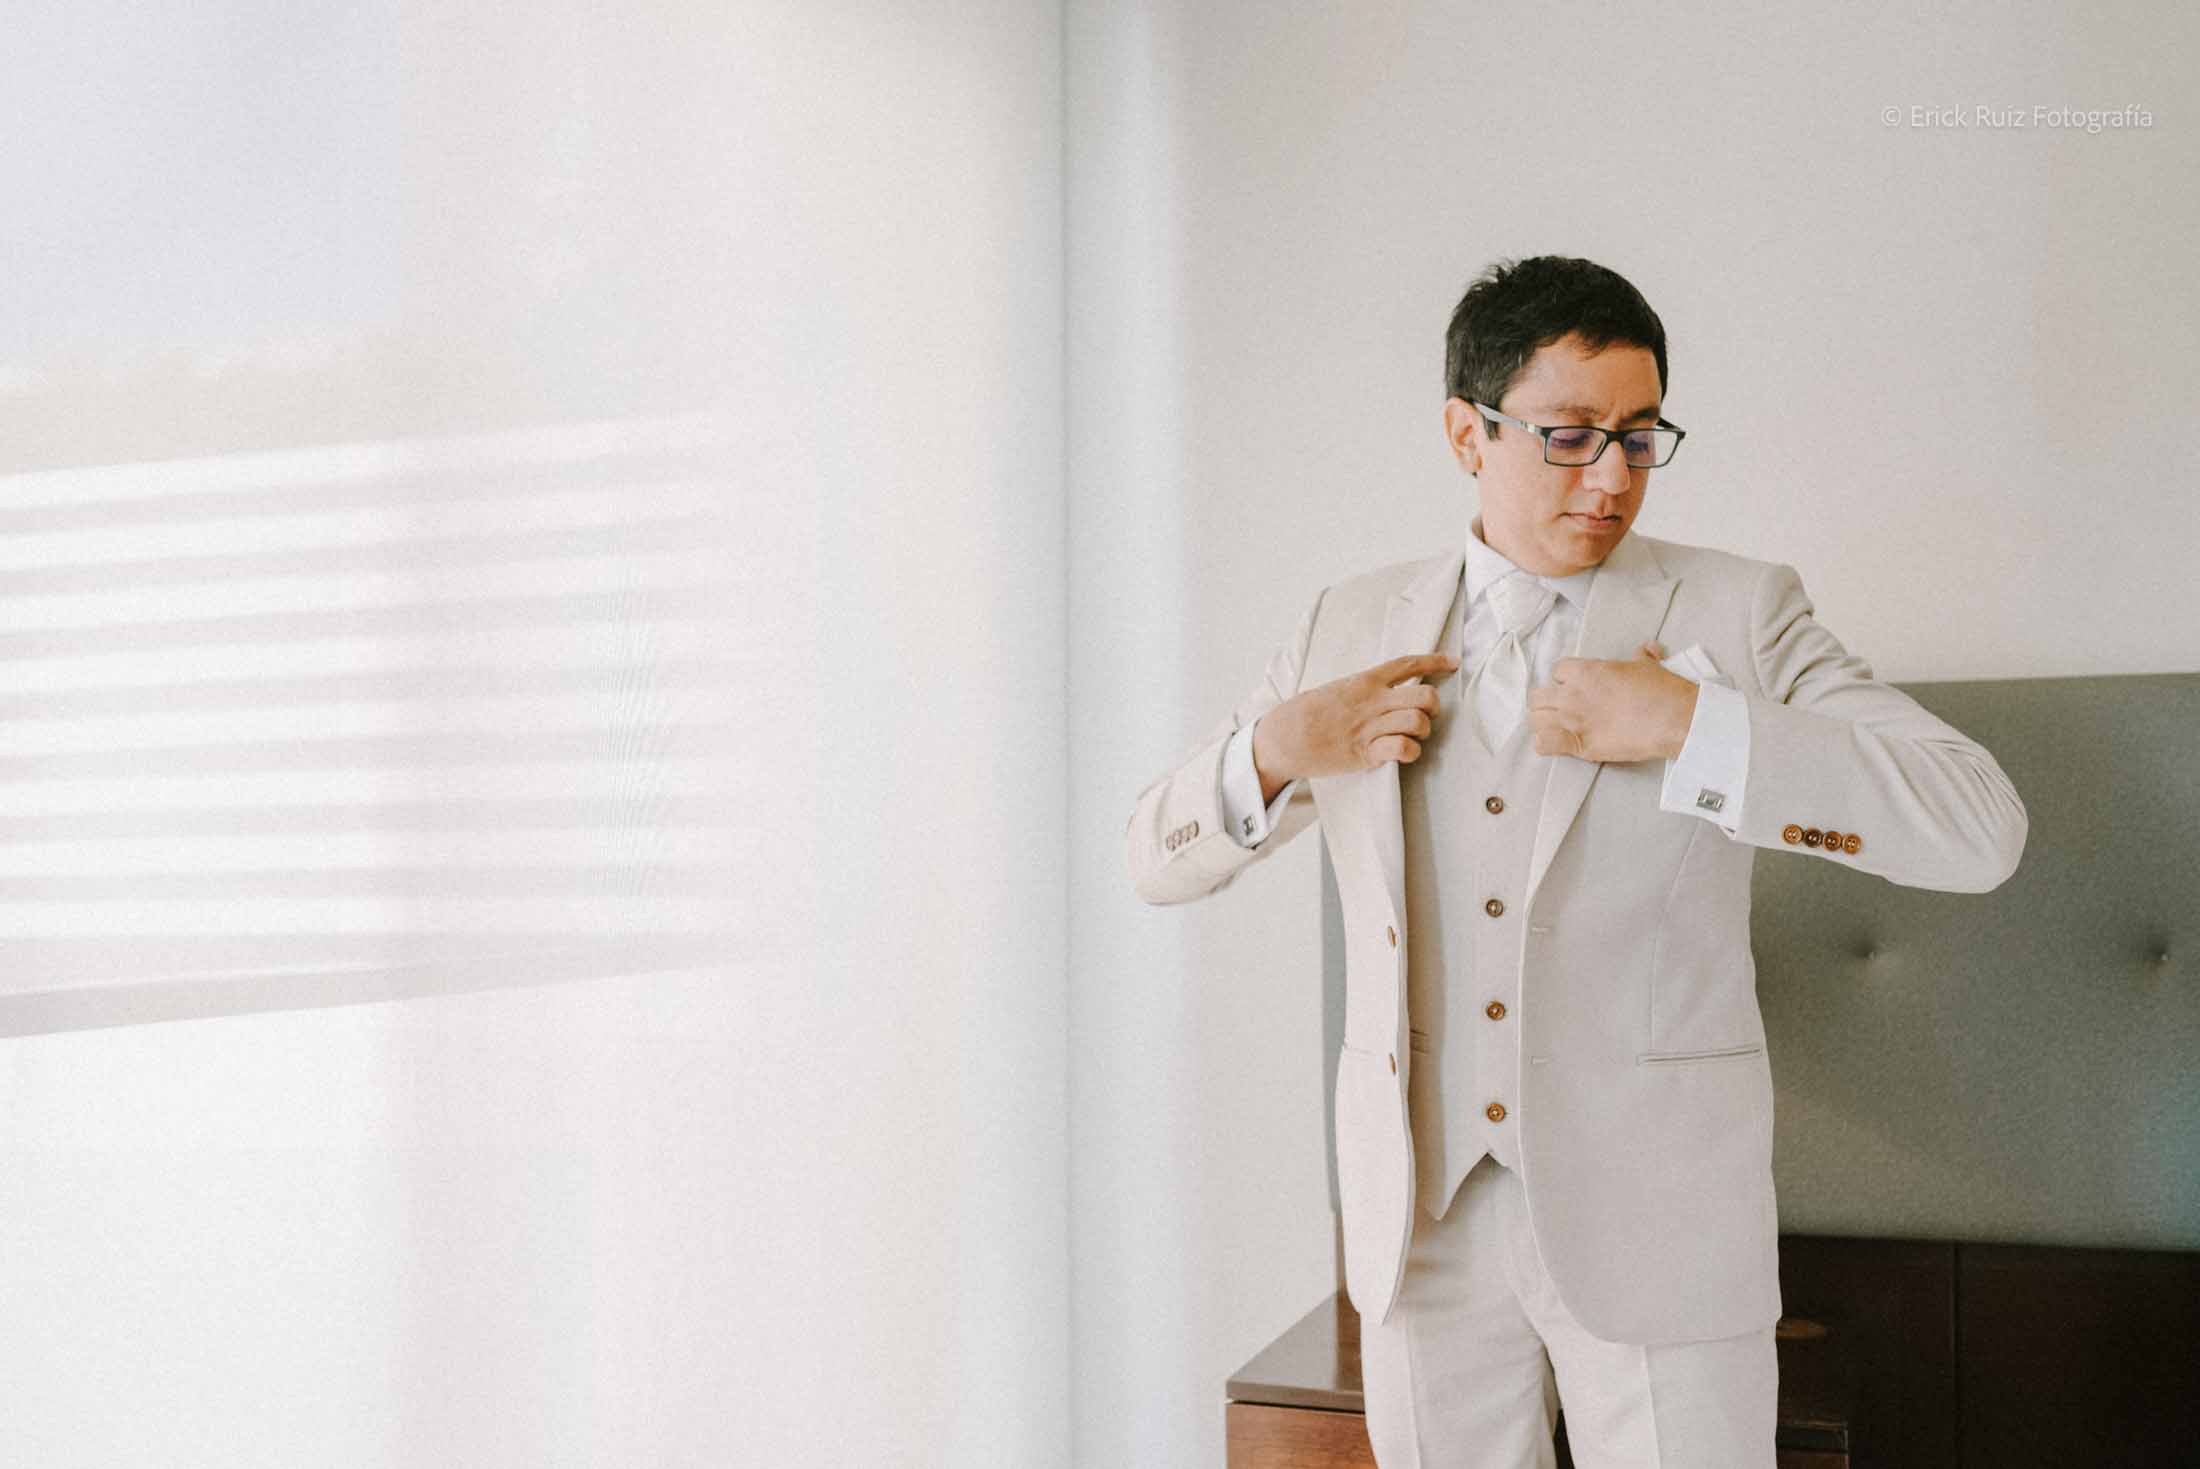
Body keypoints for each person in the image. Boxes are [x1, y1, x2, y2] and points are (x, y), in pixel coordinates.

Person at [1124, 255, 2027, 1468]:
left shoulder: (1740, 611)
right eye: (1569, 437)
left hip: (1661, 1220)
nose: (1611, 477)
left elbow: (1977, 825)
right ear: (1467, 432)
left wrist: (1695, 726)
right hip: (1420, 1223)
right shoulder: (1345, 622)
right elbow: (1155, 858)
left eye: (1640, 437)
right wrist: (1277, 749)